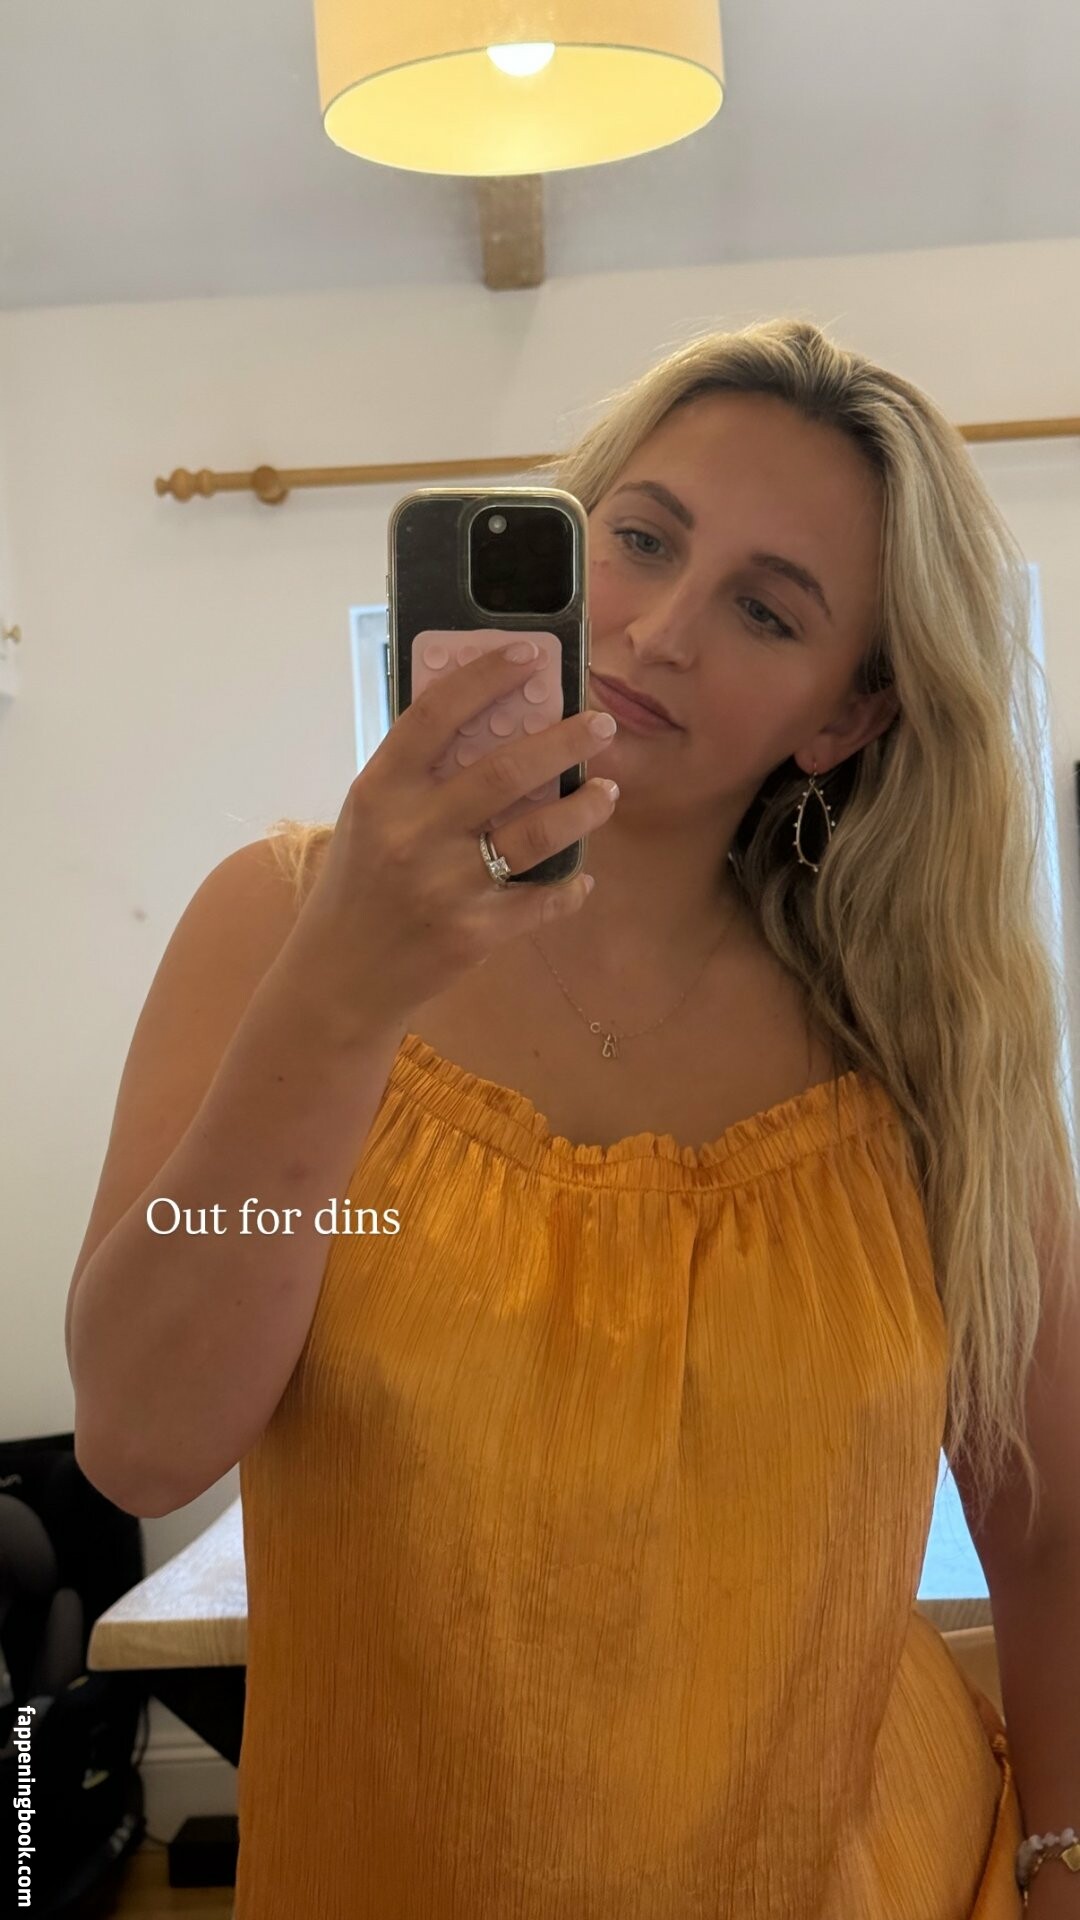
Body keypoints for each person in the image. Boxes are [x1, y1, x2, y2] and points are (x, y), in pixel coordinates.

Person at [66, 319, 1078, 1917]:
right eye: (644, 539)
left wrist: (1062, 1860)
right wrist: (343, 992)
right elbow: (141, 1439)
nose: (659, 630)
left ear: (845, 719)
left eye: (765, 608)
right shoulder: (280, 925)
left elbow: (1057, 1526)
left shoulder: (927, 1051)